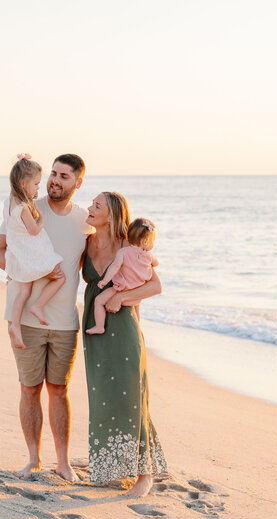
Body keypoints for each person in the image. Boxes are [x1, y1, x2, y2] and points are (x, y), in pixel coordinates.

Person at [0, 154, 93, 481]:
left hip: (64, 321)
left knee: (59, 390)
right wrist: (19, 270)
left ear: (78, 183)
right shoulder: (28, 208)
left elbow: (97, 263)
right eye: (53, 173)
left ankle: (62, 463)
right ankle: (33, 460)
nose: (54, 181)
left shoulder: (84, 221)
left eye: (64, 176)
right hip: (25, 321)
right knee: (29, 388)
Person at [82, 192, 166, 497]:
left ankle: (145, 475)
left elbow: (155, 286)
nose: (90, 208)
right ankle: (112, 467)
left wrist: (119, 297)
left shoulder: (128, 245)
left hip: (125, 325)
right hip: (95, 325)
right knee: (103, 394)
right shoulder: (87, 242)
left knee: (133, 396)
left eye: (97, 206)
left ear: (113, 214)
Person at [3, 154, 65, 349]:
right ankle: (38, 306)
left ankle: (15, 326)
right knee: (60, 276)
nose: (39, 188)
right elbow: (33, 230)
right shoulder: (23, 208)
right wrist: (41, 218)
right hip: (30, 254)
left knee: (23, 292)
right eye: (36, 185)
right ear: (24, 183)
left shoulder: (9, 202)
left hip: (17, 254)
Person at [85, 217, 159, 335]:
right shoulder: (149, 256)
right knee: (136, 311)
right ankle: (135, 329)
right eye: (152, 241)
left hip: (120, 290)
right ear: (145, 241)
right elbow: (156, 263)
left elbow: (114, 268)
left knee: (98, 301)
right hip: (136, 295)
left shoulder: (123, 252)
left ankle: (99, 326)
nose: (153, 244)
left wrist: (105, 280)